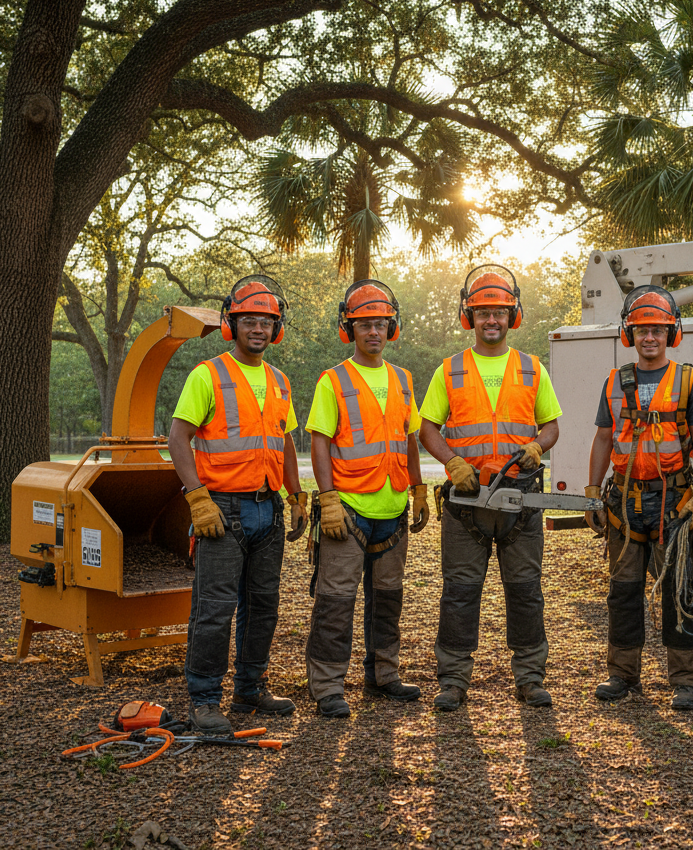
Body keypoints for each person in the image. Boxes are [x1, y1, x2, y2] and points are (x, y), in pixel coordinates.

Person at [419, 265, 562, 711]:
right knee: (460, 591)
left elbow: (551, 426)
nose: (491, 321)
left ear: (512, 315)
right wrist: (453, 462)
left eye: (499, 312)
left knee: (525, 590)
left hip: (521, 499)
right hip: (466, 502)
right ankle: (454, 678)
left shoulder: (531, 367)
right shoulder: (450, 370)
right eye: (483, 313)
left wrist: (537, 448)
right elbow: (427, 429)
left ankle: (530, 676)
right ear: (469, 316)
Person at [169, 276, 307, 734]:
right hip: (222, 510)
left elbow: (283, 441)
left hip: (268, 507)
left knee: (263, 603)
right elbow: (178, 438)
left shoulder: (280, 380)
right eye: (249, 320)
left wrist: (297, 493)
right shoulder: (207, 375)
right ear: (232, 324)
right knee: (215, 606)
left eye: (267, 322)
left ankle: (250, 687)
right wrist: (196, 497)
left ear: (277, 328)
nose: (259, 329)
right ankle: (204, 698)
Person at [584, 286, 693, 709]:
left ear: (670, 334)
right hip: (624, 502)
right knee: (623, 592)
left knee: (680, 591)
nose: (650, 338)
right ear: (630, 335)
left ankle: (685, 680)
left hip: (673, 501)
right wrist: (591, 490)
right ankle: (622, 674)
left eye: (658, 330)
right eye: (642, 330)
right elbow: (604, 438)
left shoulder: (689, 380)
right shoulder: (613, 382)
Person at [304, 280, 428, 719]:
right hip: (349, 509)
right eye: (364, 325)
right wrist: (328, 498)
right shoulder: (333, 381)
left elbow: (409, 438)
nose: (373, 332)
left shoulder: (403, 379)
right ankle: (327, 685)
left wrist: (417, 487)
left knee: (388, 597)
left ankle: (384, 675)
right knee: (336, 600)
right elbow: (320, 443)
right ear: (349, 330)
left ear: (390, 328)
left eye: (380, 324)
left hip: (392, 507)